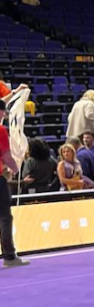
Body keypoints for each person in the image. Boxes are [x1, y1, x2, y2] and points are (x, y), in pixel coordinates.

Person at [0, 100, 28, 267]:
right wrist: (16, 169)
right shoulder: (0, 130)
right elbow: (6, 156)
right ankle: (9, 257)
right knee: (4, 217)